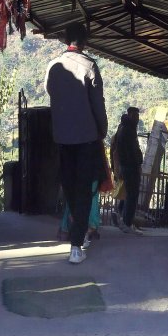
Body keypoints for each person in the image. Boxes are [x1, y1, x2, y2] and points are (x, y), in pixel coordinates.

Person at [45, 23, 108, 264]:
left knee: (70, 187)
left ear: (66, 41)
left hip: (62, 136)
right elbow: (97, 104)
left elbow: (51, 92)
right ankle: (76, 243)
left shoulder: (52, 66)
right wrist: (101, 129)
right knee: (85, 189)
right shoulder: (90, 66)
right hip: (86, 137)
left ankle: (77, 232)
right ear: (85, 42)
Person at [113, 107, 144, 233]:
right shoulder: (129, 130)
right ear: (130, 115)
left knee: (128, 193)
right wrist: (137, 163)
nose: (137, 118)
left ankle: (122, 217)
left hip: (126, 166)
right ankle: (127, 222)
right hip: (131, 166)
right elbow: (132, 150)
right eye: (136, 115)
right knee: (132, 194)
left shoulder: (122, 128)